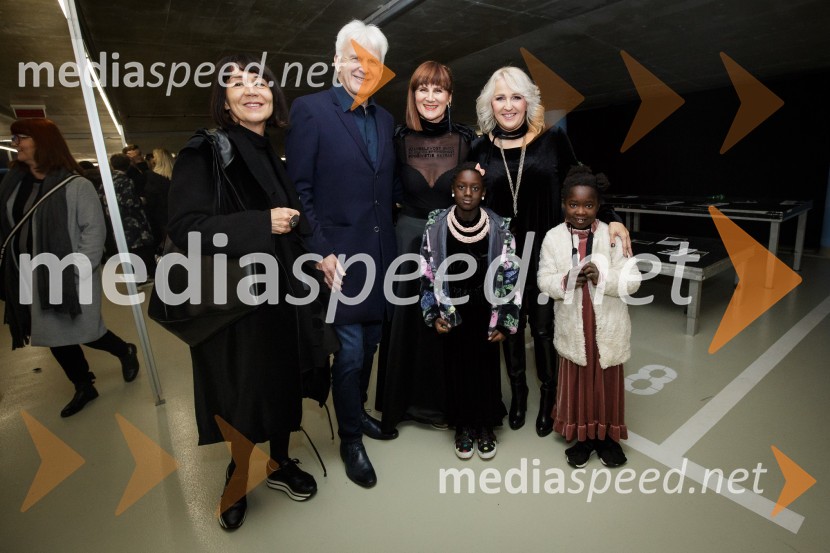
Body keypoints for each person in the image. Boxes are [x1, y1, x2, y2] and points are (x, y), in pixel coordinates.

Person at [166, 54, 318, 530]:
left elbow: (292, 218)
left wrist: (314, 249)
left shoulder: (271, 151)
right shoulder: (206, 151)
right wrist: (261, 223)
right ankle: (239, 473)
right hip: (235, 302)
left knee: (281, 382)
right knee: (242, 390)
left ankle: (279, 461)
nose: (253, 89)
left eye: (262, 82)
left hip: (282, 295)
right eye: (238, 84)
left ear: (274, 97)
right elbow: (187, 228)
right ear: (225, 103)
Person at [469, 66, 632, 437]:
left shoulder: (553, 140)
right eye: (500, 97)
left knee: (544, 331)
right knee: (510, 330)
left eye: (516, 96)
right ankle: (520, 397)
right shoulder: (479, 149)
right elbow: (465, 197)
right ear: (488, 105)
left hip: (546, 257)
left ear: (529, 101)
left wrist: (613, 217)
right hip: (502, 260)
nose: (508, 106)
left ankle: (548, 398)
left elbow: (583, 186)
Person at [286, 19, 398, 489]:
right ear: (336, 61)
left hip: (380, 257)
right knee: (349, 353)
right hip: (340, 262)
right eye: (353, 56)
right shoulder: (311, 110)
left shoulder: (387, 119)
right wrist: (321, 252)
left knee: (371, 344)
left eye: (371, 59)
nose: (361, 66)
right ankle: (351, 438)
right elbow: (299, 190)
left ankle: (358, 412)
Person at [0, 118, 139, 418]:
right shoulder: (14, 183)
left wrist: (76, 271)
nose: (15, 144)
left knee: (86, 331)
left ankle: (124, 350)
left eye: (21, 138)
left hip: (70, 274)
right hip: (28, 273)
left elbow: (93, 231)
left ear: (43, 142)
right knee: (50, 335)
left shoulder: (76, 185)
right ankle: (83, 384)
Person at [378, 61, 476, 434]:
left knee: (451, 323)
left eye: (438, 90)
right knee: (407, 325)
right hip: (407, 240)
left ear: (449, 97)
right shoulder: (398, 139)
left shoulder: (468, 140)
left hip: (454, 239)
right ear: (413, 95)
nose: (430, 97)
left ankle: (448, 405)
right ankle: (403, 405)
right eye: (423, 89)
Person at [537, 166, 640, 467]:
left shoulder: (613, 235)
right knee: (579, 385)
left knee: (605, 383)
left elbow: (633, 282)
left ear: (598, 206)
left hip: (606, 329)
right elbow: (543, 279)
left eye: (588, 205)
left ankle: (607, 439)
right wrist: (566, 280)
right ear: (563, 204)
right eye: (573, 204)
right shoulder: (552, 238)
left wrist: (603, 277)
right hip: (573, 329)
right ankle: (582, 439)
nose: (580, 211)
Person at [420, 163, 520, 459]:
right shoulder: (436, 225)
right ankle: (463, 427)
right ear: (453, 190)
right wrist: (432, 315)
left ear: (483, 192)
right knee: (457, 368)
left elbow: (511, 277)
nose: (467, 193)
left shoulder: (500, 227)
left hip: (486, 311)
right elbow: (426, 273)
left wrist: (504, 321)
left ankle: (485, 426)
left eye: (474, 188)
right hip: (452, 311)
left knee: (486, 369)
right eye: (462, 187)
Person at [107, 153, 156, 274]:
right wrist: (141, 200)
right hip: (132, 219)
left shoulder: (108, 180)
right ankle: (144, 273)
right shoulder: (125, 180)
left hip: (118, 220)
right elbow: (130, 201)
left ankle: (134, 273)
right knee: (140, 247)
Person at [142, 148, 173, 254]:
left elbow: (151, 198)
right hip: (175, 213)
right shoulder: (176, 175)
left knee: (166, 243)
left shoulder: (152, 176)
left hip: (160, 215)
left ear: (157, 160)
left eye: (154, 157)